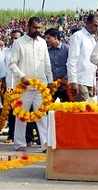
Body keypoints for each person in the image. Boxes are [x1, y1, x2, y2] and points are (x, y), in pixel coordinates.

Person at [9, 17, 53, 152]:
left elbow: (47, 64)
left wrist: (50, 81)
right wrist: (22, 77)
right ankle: (20, 143)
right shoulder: (19, 43)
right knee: (21, 115)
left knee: (41, 115)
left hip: (40, 86)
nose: (38, 30)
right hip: (24, 87)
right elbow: (12, 64)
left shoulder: (43, 43)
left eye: (40, 28)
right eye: (35, 27)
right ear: (28, 27)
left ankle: (45, 143)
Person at [67, 15, 98, 101]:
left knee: (90, 111)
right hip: (79, 80)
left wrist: (93, 83)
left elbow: (93, 64)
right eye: (95, 25)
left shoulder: (93, 39)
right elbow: (72, 60)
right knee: (82, 111)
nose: (97, 28)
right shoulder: (78, 36)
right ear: (88, 23)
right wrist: (73, 81)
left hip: (89, 80)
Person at [3, 30, 22, 143]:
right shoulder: (6, 52)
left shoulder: (24, 51)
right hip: (10, 86)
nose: (15, 40)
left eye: (17, 38)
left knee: (21, 110)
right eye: (13, 38)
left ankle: (25, 137)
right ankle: (11, 135)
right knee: (11, 111)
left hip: (21, 86)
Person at [44, 28, 69, 102]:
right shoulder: (47, 51)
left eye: (48, 38)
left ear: (55, 37)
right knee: (47, 106)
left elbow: (72, 65)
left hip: (65, 84)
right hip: (52, 85)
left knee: (66, 107)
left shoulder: (67, 49)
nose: (46, 40)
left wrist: (66, 78)